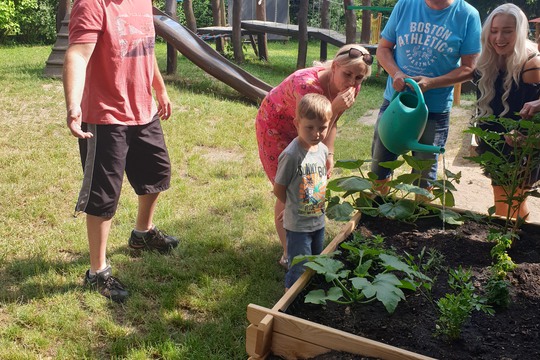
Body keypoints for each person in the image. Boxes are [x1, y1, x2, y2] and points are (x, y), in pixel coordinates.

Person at [63, 0, 179, 303]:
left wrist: (160, 88)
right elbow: (77, 54)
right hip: (104, 116)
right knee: (104, 195)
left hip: (143, 109)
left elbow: (145, 49)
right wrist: (73, 105)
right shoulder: (90, 4)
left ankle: (142, 234)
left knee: (157, 172)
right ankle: (97, 271)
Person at [256, 44, 372, 268]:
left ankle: (303, 232)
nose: (351, 82)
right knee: (290, 187)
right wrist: (334, 107)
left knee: (310, 180)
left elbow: (329, 123)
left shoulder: (351, 88)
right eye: (347, 74)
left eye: (358, 78)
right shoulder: (305, 84)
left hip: (312, 129)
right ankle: (289, 252)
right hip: (276, 127)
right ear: (335, 66)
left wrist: (328, 152)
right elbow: (310, 123)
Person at [371, 0, 481, 190]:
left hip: (434, 110)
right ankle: (375, 211)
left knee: (424, 176)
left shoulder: (467, 15)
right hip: (396, 104)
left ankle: (419, 213)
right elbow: (383, 48)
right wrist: (396, 72)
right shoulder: (405, 5)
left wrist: (432, 83)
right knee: (380, 166)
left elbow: (469, 69)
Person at [474, 3, 540, 219]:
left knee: (506, 206)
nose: (499, 38)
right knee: (509, 204)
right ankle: (518, 241)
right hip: (495, 141)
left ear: (519, 32)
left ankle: (512, 248)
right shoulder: (489, 59)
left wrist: (525, 136)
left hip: (520, 145)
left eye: (507, 31)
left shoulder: (531, 65)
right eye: (494, 31)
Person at [273, 93, 332, 290]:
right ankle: (290, 301)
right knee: (299, 266)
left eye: (322, 128)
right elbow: (279, 187)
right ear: (297, 123)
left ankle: (307, 293)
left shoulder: (322, 150)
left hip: (317, 220)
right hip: (298, 225)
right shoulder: (291, 155)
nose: (316, 133)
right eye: (310, 127)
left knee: (314, 260)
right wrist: (290, 205)